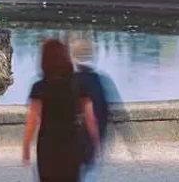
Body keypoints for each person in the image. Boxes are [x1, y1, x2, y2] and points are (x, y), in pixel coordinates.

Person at [23, 37, 98, 182]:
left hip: (48, 145)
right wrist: (95, 142)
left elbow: (32, 119)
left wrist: (26, 146)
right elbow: (90, 117)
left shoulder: (40, 87)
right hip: (72, 143)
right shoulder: (78, 84)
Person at [69, 36, 116, 177]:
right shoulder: (100, 80)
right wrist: (97, 144)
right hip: (89, 144)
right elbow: (93, 117)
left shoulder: (70, 81)